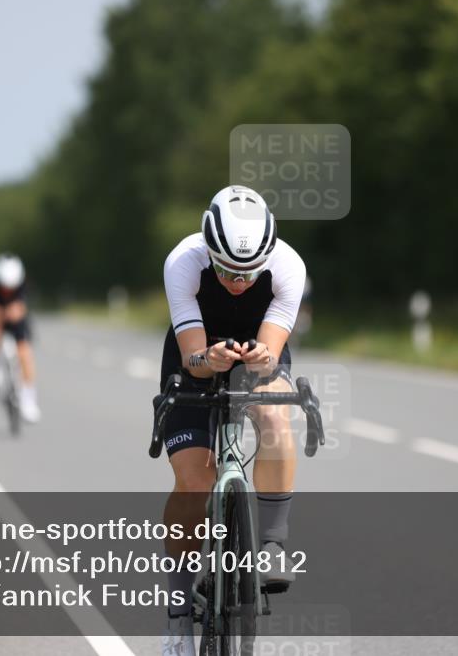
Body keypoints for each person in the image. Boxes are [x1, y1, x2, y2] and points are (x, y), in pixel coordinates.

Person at [159, 185, 306, 655]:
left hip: (258, 352)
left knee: (275, 416)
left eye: (248, 272)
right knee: (194, 481)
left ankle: (273, 543)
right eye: (226, 270)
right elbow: (193, 358)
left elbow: (271, 355)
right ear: (208, 249)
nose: (238, 282)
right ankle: (179, 611)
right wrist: (209, 357)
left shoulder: (288, 265)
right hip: (195, 356)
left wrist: (261, 359)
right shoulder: (183, 262)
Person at [0, 253, 41, 423]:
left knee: (25, 354)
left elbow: (21, 308)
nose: (7, 290)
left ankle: (28, 399)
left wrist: (14, 311)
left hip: (17, 321)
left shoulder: (22, 285)